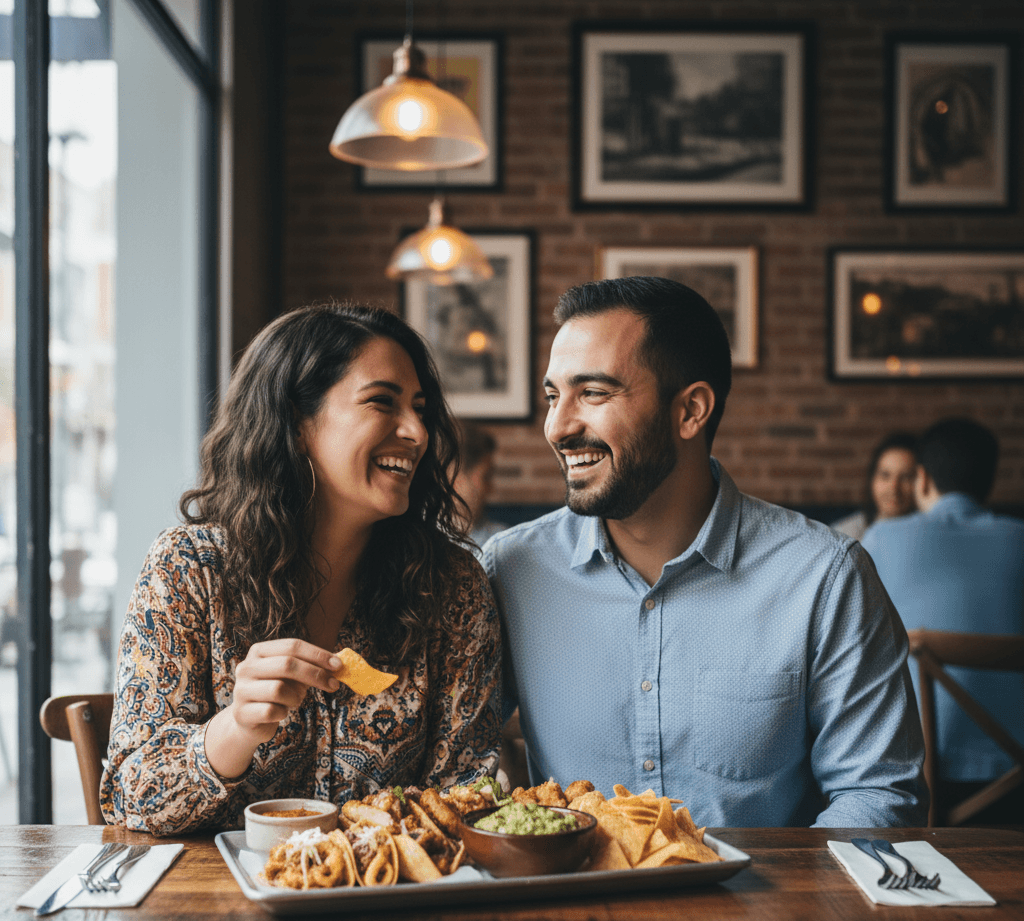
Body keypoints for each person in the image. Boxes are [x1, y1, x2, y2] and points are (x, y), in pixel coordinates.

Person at [483, 277, 926, 827]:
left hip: (762, 906)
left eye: (593, 394)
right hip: (575, 909)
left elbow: (881, 794)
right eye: (553, 396)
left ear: (691, 411)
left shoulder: (825, 577)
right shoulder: (510, 569)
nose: (558, 426)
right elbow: (450, 757)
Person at [101, 303, 502, 835]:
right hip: (213, 906)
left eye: (421, 409)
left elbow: (468, 789)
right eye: (382, 402)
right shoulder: (188, 569)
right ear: (295, 421)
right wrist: (235, 729)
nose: (417, 432)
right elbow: (132, 795)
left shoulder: (453, 587)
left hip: (389, 901)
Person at [862, 418, 1024, 824]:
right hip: (1013, 779)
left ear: (923, 479)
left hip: (917, 778)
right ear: (989, 480)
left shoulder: (883, 538)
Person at [831, 432, 918, 541]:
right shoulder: (843, 536)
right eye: (885, 475)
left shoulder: (929, 535)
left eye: (905, 477)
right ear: (872, 479)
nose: (894, 487)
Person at [453, 420, 508, 551]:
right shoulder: (416, 542)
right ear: (455, 476)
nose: (490, 489)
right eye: (485, 477)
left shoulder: (505, 541)